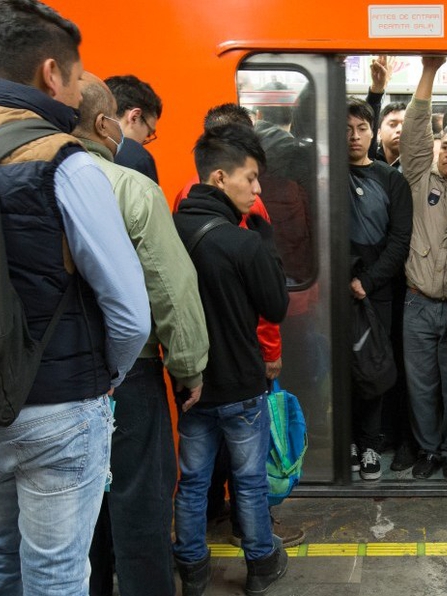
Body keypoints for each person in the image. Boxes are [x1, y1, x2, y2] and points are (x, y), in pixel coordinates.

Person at [0, 1, 151, 593]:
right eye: (76, 75)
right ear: (51, 73)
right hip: (58, 407)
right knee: (57, 573)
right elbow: (129, 312)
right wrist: (107, 377)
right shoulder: (64, 162)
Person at [73, 73, 210, 596]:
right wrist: (189, 367)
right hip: (127, 376)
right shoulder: (131, 188)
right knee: (140, 502)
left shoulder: (18, 178)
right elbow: (171, 290)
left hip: (46, 385)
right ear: (108, 124)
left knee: (75, 518)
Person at [172, 124, 289, 595]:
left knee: (194, 479)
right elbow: (275, 306)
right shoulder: (244, 242)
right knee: (249, 480)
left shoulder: (170, 231)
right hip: (241, 385)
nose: (258, 189)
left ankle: (192, 567)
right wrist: (266, 247)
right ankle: (261, 563)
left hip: (191, 386)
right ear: (220, 178)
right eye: (251, 178)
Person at [345, 98, 412, 479]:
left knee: (371, 367)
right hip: (334, 290)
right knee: (339, 367)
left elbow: (399, 240)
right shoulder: (327, 177)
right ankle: (348, 441)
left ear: (371, 134)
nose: (354, 137)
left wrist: (367, 282)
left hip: (377, 292)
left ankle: (370, 443)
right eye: (347, 129)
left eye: (361, 129)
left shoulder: (391, 179)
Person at [402, 56, 447, 479]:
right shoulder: (422, 176)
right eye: (446, 146)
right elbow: (416, 130)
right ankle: (428, 451)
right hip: (419, 302)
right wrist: (430, 71)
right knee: (422, 386)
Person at [105, 74, 162, 182]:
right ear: (134, 117)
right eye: (148, 134)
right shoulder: (135, 157)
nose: (143, 141)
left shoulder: (73, 147)